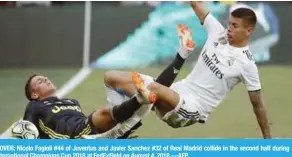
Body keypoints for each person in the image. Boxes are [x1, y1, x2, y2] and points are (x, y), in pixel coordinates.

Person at [83, 1, 271, 139]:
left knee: (151, 90)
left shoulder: (247, 64)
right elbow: (196, 3)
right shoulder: (217, 32)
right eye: (229, 23)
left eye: (235, 26)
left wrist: (268, 140)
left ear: (249, 30)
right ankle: (120, 131)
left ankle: (111, 136)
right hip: (175, 91)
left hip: (192, 108)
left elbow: (258, 105)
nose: (229, 28)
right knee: (112, 77)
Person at [22, 73, 156, 139]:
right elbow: (28, 133)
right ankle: (140, 98)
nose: (45, 79)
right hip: (70, 137)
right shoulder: (35, 106)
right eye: (40, 81)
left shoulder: (71, 102)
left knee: (116, 118)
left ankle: (149, 93)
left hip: (85, 131)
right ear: (34, 95)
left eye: (45, 78)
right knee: (104, 113)